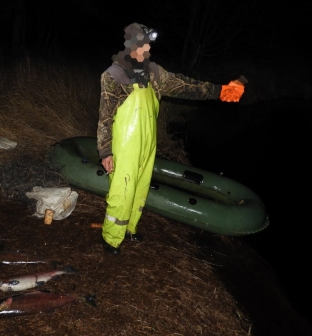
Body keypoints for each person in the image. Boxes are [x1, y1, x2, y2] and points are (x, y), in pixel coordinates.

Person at [97, 22, 245, 255]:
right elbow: (105, 117)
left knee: (141, 187)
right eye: (142, 44)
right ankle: (110, 238)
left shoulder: (155, 73)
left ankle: (130, 228)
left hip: (147, 142)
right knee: (122, 191)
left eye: (148, 45)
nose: (146, 49)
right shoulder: (113, 75)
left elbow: (186, 86)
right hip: (125, 144)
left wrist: (220, 91)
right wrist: (105, 151)